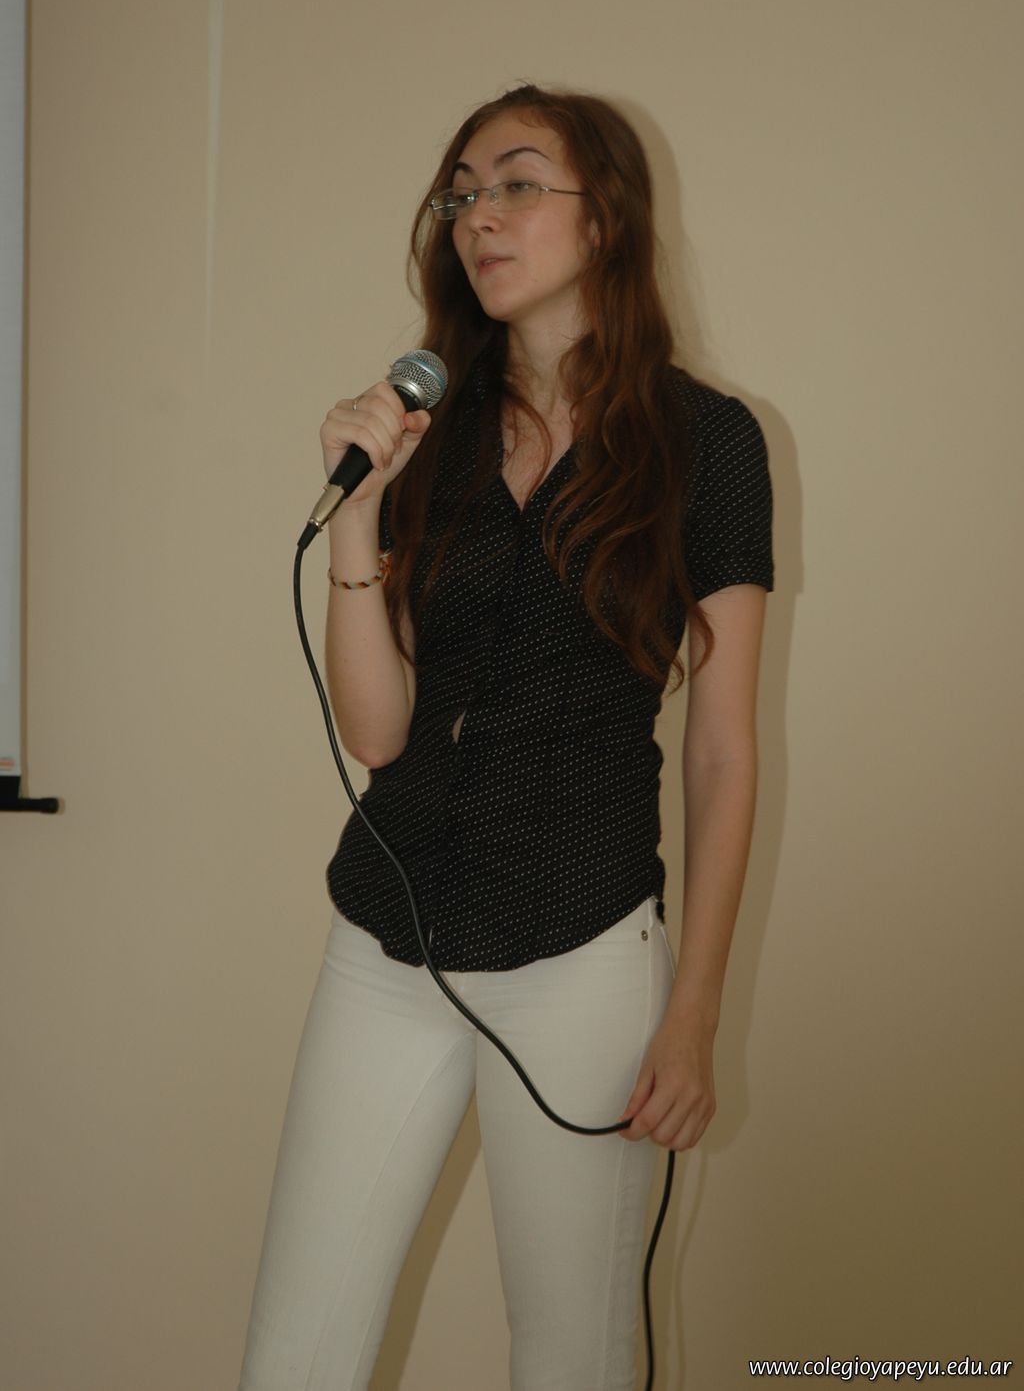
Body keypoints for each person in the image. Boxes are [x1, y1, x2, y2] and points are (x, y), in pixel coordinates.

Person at [237, 85, 774, 1391]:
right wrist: (357, 518)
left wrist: (694, 1010)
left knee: (574, 1357)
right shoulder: (428, 429)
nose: (479, 214)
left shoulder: (706, 442)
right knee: (295, 1357)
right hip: (389, 934)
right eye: (462, 192)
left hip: (582, 948)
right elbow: (379, 731)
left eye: (517, 183)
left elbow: (721, 750)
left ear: (606, 219)